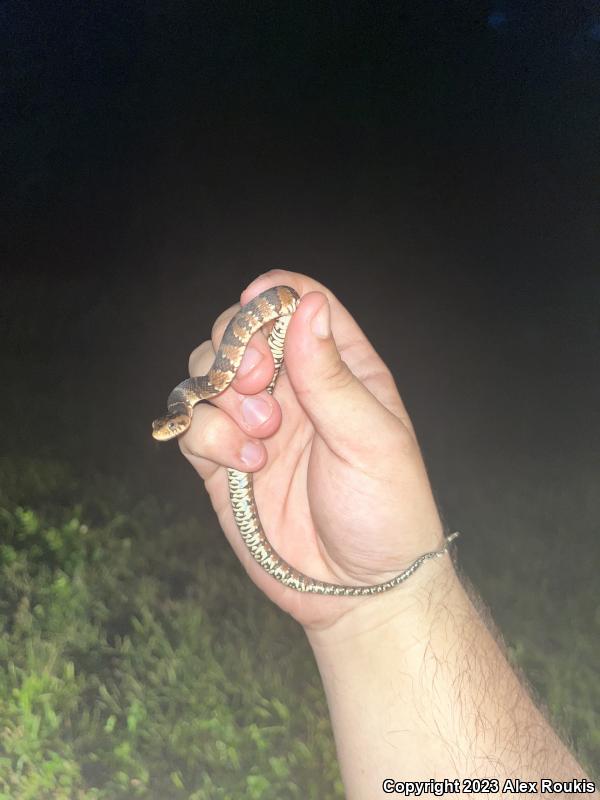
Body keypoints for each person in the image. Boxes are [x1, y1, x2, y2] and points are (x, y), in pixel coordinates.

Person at [178, 269, 595, 798]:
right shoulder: (197, 396)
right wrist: (380, 608)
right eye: (170, 427)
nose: (171, 430)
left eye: (171, 425)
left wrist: (389, 598)